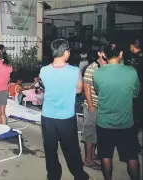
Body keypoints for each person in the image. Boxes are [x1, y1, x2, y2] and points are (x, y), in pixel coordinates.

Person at [40, 39, 93, 180]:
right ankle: (79, 175)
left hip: (47, 117)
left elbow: (46, 86)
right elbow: (78, 90)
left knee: (50, 149)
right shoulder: (75, 71)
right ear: (66, 52)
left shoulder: (43, 70)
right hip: (66, 118)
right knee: (71, 149)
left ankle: (53, 175)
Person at [93, 42, 140, 180]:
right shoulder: (131, 71)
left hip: (104, 123)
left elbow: (98, 91)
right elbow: (135, 93)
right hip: (126, 123)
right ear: (121, 54)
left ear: (105, 55)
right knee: (132, 157)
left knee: (105, 156)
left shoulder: (98, 73)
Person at [81, 48, 107, 170]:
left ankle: (92, 154)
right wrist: (91, 105)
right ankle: (88, 159)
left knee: (96, 132)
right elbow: (86, 86)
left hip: (102, 106)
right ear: (99, 53)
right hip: (93, 105)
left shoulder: (108, 66)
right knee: (90, 132)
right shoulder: (93, 67)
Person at [127, 38, 143, 145]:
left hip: (138, 91)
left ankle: (135, 143)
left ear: (133, 46)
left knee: (136, 115)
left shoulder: (138, 59)